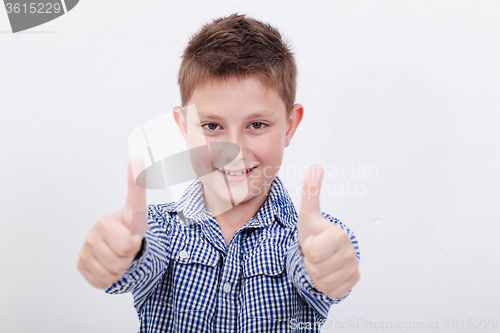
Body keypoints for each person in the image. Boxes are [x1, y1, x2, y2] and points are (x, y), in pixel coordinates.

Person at [77, 13, 360, 333]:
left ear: (289, 126)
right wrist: (119, 253)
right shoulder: (158, 229)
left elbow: (320, 269)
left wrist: (327, 267)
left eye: (257, 124)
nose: (234, 149)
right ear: (184, 127)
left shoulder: (310, 239)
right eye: (212, 126)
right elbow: (139, 255)